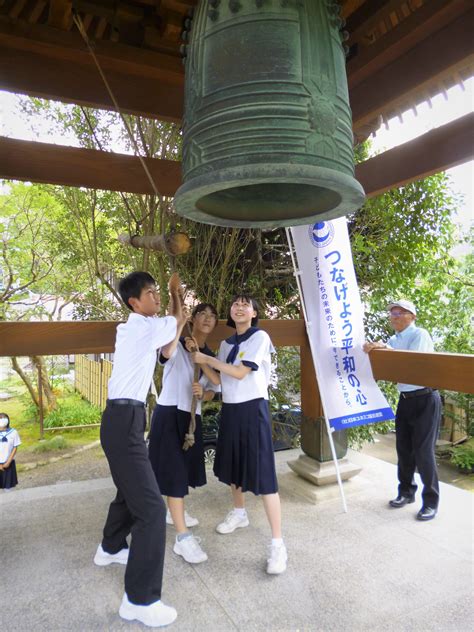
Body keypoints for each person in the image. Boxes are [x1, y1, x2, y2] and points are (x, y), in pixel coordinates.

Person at [94, 271, 185, 628]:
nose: (158, 296)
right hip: (122, 422)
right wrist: (178, 295)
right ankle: (139, 600)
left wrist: (176, 314)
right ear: (135, 302)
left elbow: (169, 348)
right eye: (152, 292)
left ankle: (111, 547)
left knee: (131, 492)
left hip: (125, 421)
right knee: (150, 509)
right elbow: (176, 321)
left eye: (159, 291)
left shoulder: (144, 330)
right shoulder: (140, 326)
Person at [192, 294, 287, 574]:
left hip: (254, 408)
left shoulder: (260, 337)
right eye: (235, 304)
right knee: (233, 464)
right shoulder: (225, 344)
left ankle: (278, 544)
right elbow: (220, 380)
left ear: (254, 312)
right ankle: (239, 512)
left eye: (246, 304)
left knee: (265, 474)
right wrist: (202, 362)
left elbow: (240, 372)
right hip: (231, 410)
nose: (240, 307)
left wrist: (205, 357)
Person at [148, 303, 220, 565]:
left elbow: (215, 387)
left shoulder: (210, 355)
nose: (207, 319)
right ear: (194, 318)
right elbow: (164, 355)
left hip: (191, 418)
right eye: (202, 314)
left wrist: (206, 393)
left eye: (212, 317)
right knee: (175, 474)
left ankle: (173, 512)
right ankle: (182, 538)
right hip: (169, 412)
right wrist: (178, 315)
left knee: (181, 473)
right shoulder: (178, 344)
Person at [363, 299, 441, 521]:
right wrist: (375, 350)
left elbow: (409, 365)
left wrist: (384, 350)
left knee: (424, 452)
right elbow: (389, 367)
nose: (394, 316)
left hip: (426, 398)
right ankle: (406, 492)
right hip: (405, 399)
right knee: (404, 449)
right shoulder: (394, 339)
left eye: (399, 312)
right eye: (392, 313)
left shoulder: (420, 335)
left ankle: (431, 502)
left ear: (412, 316)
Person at [0, 413, 21, 492]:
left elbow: (15, 447)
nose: (1, 420)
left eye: (3, 418)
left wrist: (8, 462)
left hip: (8, 464)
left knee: (8, 489)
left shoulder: (13, 432)